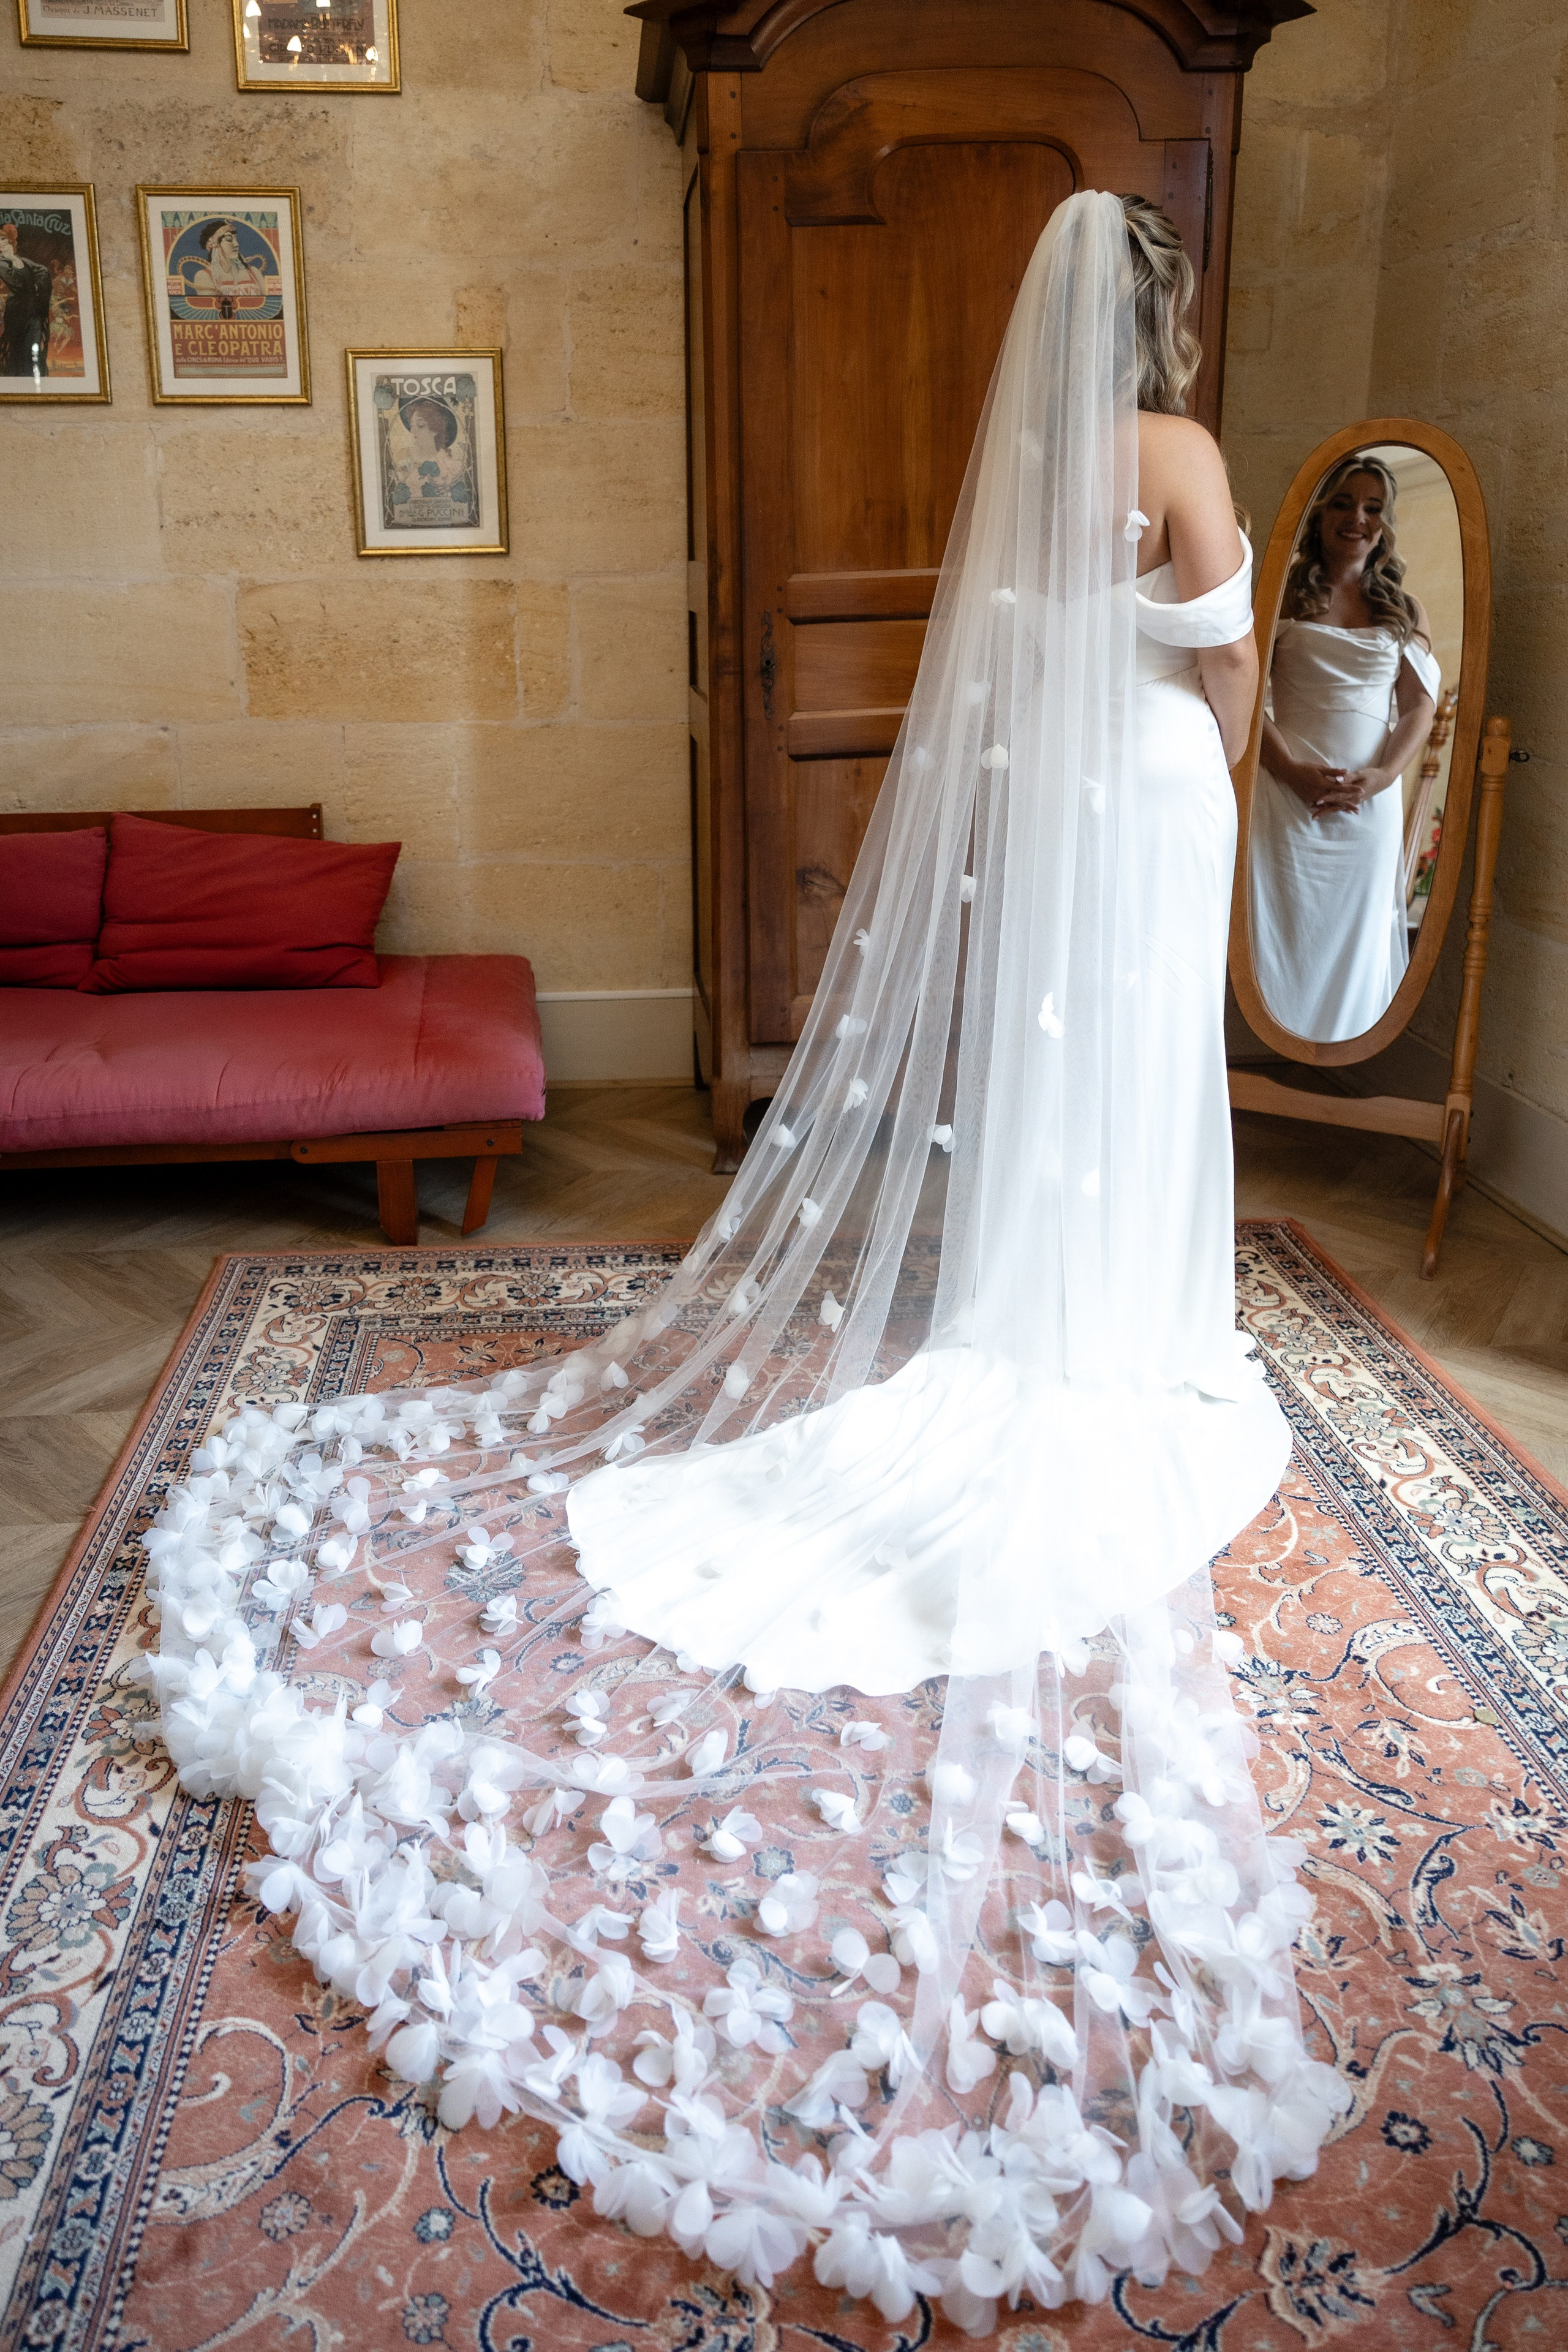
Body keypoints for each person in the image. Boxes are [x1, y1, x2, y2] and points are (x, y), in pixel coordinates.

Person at [143, 191, 1346, 2324]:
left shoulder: (1041, 473)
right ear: (1164, 322)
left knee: (1075, 1086)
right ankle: (1132, 1330)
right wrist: (1236, 719)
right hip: (1156, 798)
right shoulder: (1177, 457)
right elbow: (1238, 681)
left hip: (1073, 811)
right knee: (1145, 1082)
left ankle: (1049, 1312)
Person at [1250, 455, 1440, 1041]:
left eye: (1373, 508)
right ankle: (1272, 1040)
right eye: (1343, 503)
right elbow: (1243, 697)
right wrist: (1288, 770)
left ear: (1385, 524)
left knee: (1355, 936)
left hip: (1368, 803)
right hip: (1286, 793)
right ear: (1320, 513)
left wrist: (1383, 777)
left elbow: (1418, 708)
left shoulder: (1403, 610)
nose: (1357, 517)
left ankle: (1339, 1052)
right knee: (1283, 926)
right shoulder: (1280, 593)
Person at [0, 221, 55, 379]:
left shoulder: (22, 260)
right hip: (17, 311)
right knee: (18, 348)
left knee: (34, 345)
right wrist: (32, 285)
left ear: (10, 241)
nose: (1, 244)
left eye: (3, 239)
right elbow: (18, 283)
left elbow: (44, 271)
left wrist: (36, 286)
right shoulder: (2, 262)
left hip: (35, 311)